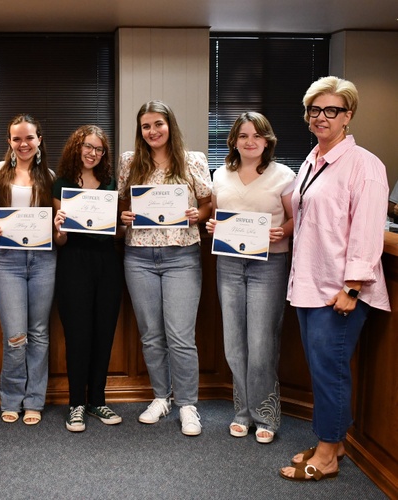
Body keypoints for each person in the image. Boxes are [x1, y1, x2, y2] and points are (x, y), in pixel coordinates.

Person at [279, 76, 390, 481]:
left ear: (348, 115)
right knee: (320, 368)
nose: (321, 117)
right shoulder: (313, 159)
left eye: (332, 110)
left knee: (331, 371)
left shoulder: (365, 165)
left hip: (339, 291)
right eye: (314, 110)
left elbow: (366, 229)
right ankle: (334, 442)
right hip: (309, 284)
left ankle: (326, 455)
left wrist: (352, 287)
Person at [118, 100, 212, 436]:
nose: (153, 131)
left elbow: (206, 204)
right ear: (139, 131)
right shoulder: (130, 162)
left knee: (181, 336)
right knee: (151, 336)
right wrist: (124, 216)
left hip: (181, 256)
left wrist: (197, 216)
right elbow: (124, 205)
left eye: (158, 124)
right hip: (139, 257)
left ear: (169, 125)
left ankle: (187, 404)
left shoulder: (193, 160)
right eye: (146, 126)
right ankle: (161, 396)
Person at [205, 112, 295, 444]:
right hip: (229, 264)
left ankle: (266, 415)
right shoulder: (221, 175)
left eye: (257, 135)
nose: (250, 141)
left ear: (267, 140)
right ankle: (242, 412)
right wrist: (213, 226)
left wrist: (280, 232)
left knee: (261, 343)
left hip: (268, 264)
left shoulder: (282, 175)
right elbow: (216, 214)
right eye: (243, 136)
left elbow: (295, 220)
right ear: (233, 141)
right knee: (234, 344)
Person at [0, 114, 56, 425]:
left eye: (29, 138)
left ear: (38, 140)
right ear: (9, 142)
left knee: (39, 333)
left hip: (43, 259)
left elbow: (55, 218)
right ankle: (11, 398)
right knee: (15, 335)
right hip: (9, 259)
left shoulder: (48, 176)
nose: (23, 144)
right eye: (17, 138)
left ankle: (34, 400)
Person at [52, 125, 123, 432]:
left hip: (107, 262)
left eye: (99, 149)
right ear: (76, 147)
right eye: (87, 147)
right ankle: (75, 404)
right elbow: (61, 240)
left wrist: (123, 224)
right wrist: (59, 228)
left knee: (103, 333)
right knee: (78, 335)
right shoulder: (61, 184)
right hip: (73, 263)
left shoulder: (109, 182)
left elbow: (116, 233)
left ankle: (97, 400)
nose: (92, 153)